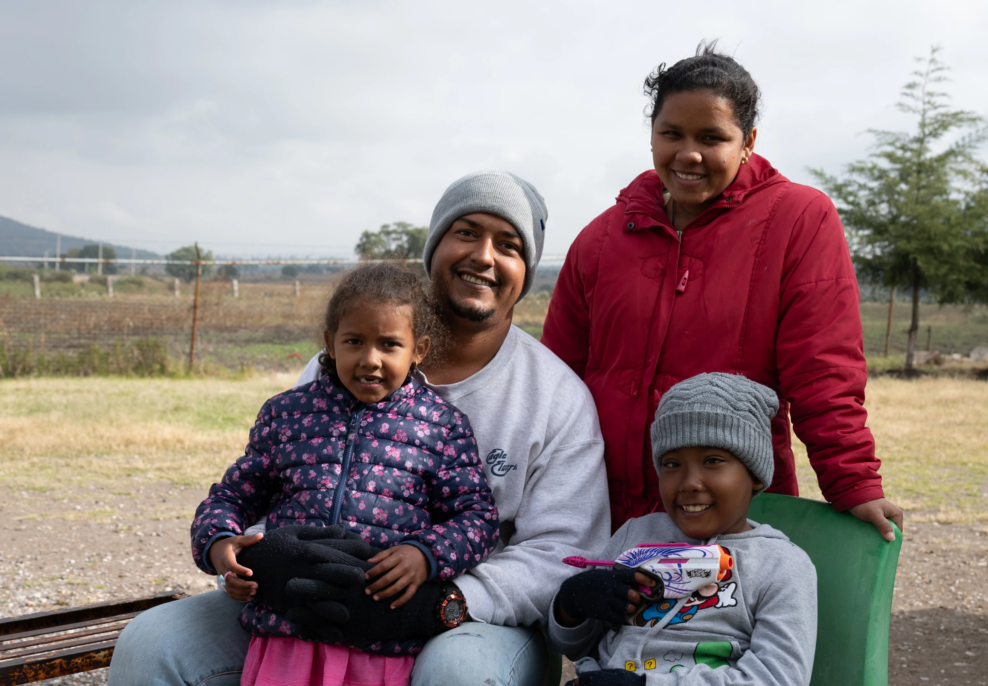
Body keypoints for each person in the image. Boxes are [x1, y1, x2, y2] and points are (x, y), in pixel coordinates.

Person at [109, 170, 611, 686]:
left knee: (458, 674)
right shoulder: (327, 377)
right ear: (434, 246)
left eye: (508, 244)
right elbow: (268, 490)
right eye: (466, 232)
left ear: (526, 270)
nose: (483, 255)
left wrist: (445, 600)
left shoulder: (555, 396)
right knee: (152, 644)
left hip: (467, 617)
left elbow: (560, 552)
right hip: (303, 607)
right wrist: (277, 561)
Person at [541, 42, 904, 539]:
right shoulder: (602, 239)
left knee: (721, 617)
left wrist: (854, 482)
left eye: (712, 137)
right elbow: (557, 384)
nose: (688, 154)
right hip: (605, 513)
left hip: (733, 517)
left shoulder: (799, 221)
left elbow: (823, 369)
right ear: (651, 135)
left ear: (748, 140)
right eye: (671, 134)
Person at [189, 262, 499, 686]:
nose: (370, 360)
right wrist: (220, 547)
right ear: (330, 343)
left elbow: (477, 518)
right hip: (285, 636)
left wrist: (424, 556)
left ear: (418, 350)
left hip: (378, 642)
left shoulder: (442, 427)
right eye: (354, 341)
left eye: (390, 344)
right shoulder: (286, 414)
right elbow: (231, 496)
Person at [549, 373, 818, 685]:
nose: (689, 482)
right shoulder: (634, 536)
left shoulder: (781, 566)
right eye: (672, 464)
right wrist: (571, 605)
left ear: (755, 474)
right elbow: (575, 645)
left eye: (713, 460)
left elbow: (779, 679)